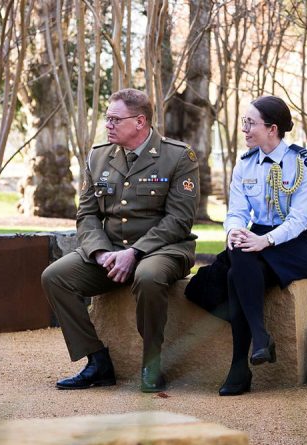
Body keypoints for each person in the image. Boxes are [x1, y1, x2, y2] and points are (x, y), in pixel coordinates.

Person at [41, 88, 199, 393]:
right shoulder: (98, 156)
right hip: (110, 250)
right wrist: (100, 253)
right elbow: (86, 215)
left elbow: (179, 220)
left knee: (149, 276)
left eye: (115, 119)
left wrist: (135, 252)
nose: (108, 125)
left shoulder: (178, 156)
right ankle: (97, 361)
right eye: (107, 118)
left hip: (164, 249)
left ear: (140, 122)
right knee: (55, 277)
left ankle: (152, 363)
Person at [219, 96, 307, 396]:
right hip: (256, 239)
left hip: (294, 243)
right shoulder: (245, 164)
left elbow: (301, 218)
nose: (244, 129)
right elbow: (236, 212)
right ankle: (260, 340)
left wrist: (266, 240)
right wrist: (233, 232)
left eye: (250, 123)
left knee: (233, 276)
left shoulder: (302, 163)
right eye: (244, 122)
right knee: (239, 250)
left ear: (272, 128)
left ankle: (240, 367)